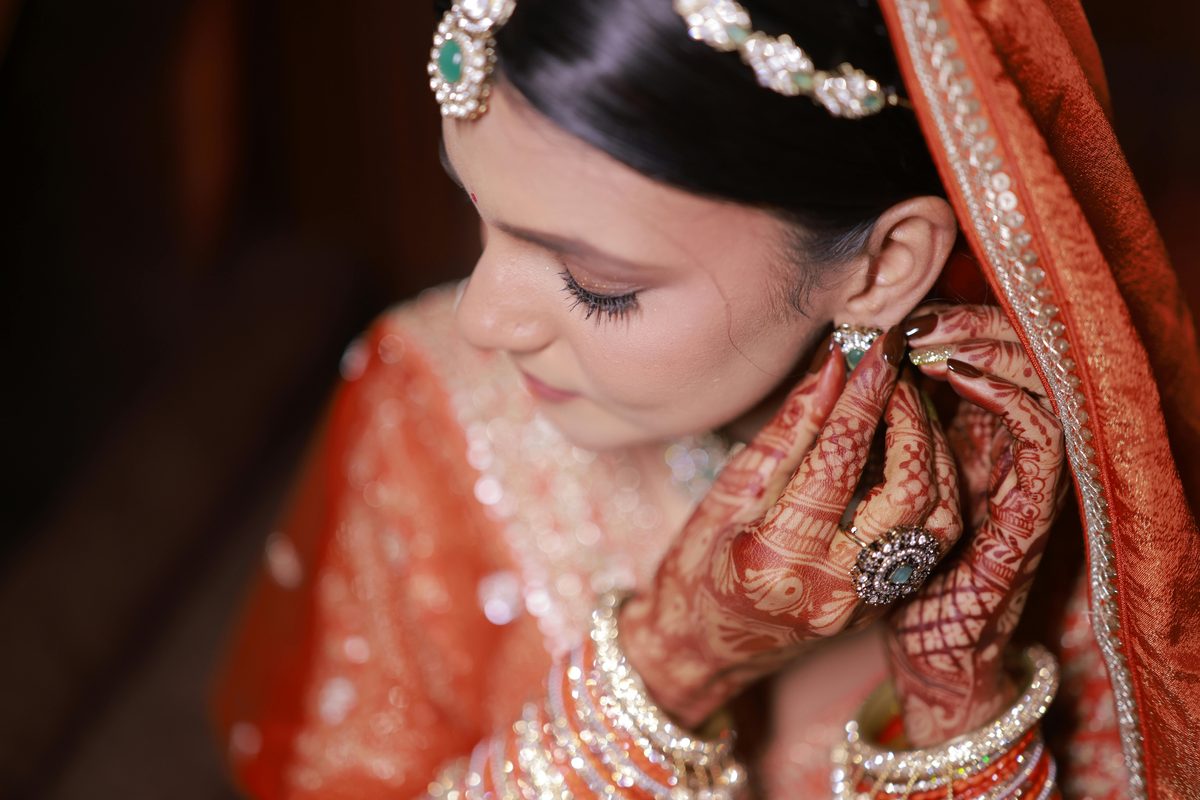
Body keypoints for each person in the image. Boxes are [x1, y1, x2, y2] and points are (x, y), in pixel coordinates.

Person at [213, 1, 1200, 798]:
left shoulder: (1069, 505)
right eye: (480, 216)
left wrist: (956, 704)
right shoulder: (433, 393)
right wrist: (666, 666)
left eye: (599, 284)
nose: (484, 317)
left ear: (884, 265)